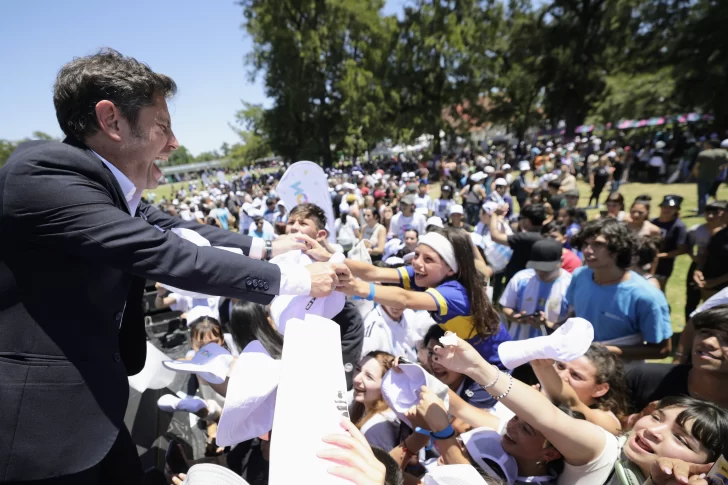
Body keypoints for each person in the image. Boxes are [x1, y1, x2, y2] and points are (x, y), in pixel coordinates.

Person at [0, 49, 348, 484]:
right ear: (111, 121)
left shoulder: (96, 184)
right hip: (40, 435)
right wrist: (295, 280)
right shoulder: (44, 175)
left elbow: (173, 226)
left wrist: (269, 246)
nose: (174, 142)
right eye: (162, 126)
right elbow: (166, 252)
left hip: (91, 419)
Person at [431, 333, 728, 485]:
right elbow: (549, 417)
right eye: (656, 417)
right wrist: (479, 369)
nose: (653, 431)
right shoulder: (605, 450)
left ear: (708, 465)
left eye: (680, 438)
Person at [331, 227, 511, 370]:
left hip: (496, 364)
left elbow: (404, 298)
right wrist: (328, 258)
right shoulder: (429, 275)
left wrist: (358, 287)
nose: (417, 263)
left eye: (428, 259)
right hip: (472, 361)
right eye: (417, 255)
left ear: (450, 269)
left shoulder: (454, 293)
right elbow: (374, 272)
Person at [567, 218, 673, 360]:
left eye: (598, 244)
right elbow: (576, 315)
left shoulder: (646, 296)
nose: (587, 250)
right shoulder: (579, 276)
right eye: (585, 244)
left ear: (619, 248)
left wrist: (604, 351)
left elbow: (662, 350)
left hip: (622, 373)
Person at [626, 303, 728, 413]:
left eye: (726, 339)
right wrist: (637, 419)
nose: (708, 341)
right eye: (705, 332)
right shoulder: (643, 378)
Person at [530, 345, 630, 435]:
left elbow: (571, 404)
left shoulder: (608, 420)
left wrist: (541, 368)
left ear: (599, 389)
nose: (561, 376)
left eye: (576, 375)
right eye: (560, 366)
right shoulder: (538, 394)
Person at [499, 239, 572, 341]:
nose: (541, 272)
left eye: (547, 269)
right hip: (520, 345)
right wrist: (517, 317)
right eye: (537, 268)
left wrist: (548, 325)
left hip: (553, 349)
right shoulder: (521, 278)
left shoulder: (570, 285)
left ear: (561, 261)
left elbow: (573, 322)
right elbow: (506, 307)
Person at [349, 351, 400, 452]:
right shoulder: (359, 404)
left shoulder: (377, 428)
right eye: (358, 369)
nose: (356, 379)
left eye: (369, 377)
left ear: (386, 387)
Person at [685, 201, 727, 319]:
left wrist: (716, 282)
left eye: (725, 212)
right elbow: (706, 254)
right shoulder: (718, 233)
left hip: (720, 284)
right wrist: (698, 270)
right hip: (708, 281)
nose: (722, 214)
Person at [490, 203, 546, 283]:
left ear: (528, 221)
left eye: (521, 218)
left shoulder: (526, 238)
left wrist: (494, 215)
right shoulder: (542, 236)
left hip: (519, 283)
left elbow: (495, 236)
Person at [651, 195, 689, 292]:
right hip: (648, 260)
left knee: (658, 289)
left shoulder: (679, 227)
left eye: (671, 208)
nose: (666, 210)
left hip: (664, 264)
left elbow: (682, 249)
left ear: (676, 210)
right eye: (664, 207)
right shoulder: (653, 222)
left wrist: (661, 256)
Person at [692, 138, 728, 214]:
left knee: (702, 195)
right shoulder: (723, 152)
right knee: (710, 193)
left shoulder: (703, 153)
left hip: (703, 177)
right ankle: (710, 208)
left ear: (710, 145)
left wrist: (696, 175)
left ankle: (701, 211)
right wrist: (722, 167)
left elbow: (696, 167)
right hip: (715, 177)